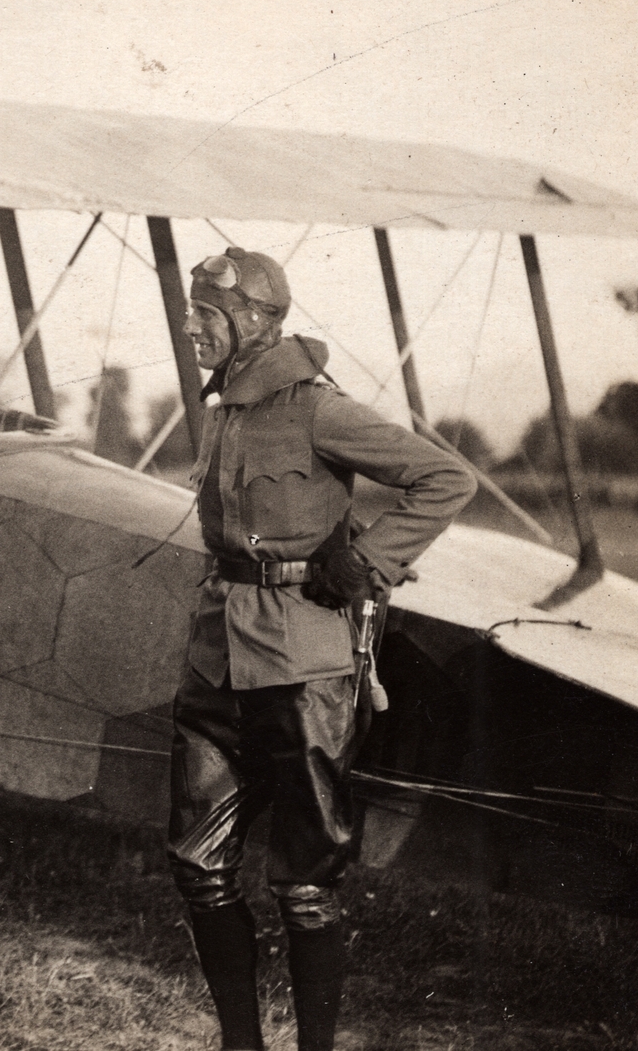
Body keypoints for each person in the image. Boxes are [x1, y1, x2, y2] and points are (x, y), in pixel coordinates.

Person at [168, 247, 476, 1051]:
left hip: (304, 666)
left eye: (205, 317)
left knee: (306, 885)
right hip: (216, 661)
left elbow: (445, 480)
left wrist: (369, 561)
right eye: (193, 313)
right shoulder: (223, 409)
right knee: (199, 866)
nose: (191, 328)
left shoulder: (318, 408)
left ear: (250, 321)